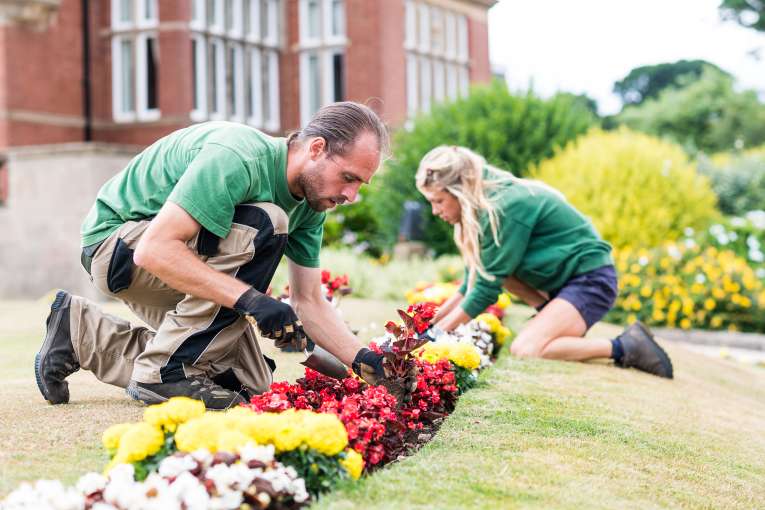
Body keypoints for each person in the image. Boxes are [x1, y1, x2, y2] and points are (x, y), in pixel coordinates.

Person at [35, 102, 414, 410]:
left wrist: (365, 361)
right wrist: (252, 301)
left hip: (168, 262)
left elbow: (309, 300)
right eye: (348, 178)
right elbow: (155, 249)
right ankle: (161, 375)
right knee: (269, 220)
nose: (352, 196)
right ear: (316, 148)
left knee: (247, 382)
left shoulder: (312, 207)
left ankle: (81, 332)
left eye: (360, 185)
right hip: (117, 248)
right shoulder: (238, 156)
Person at [416, 146, 673, 378]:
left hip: (590, 280)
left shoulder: (505, 208)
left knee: (526, 348)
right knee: (499, 272)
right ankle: (550, 312)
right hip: (564, 284)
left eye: (438, 201)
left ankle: (627, 346)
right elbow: (474, 281)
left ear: (461, 191)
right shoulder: (488, 208)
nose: (436, 211)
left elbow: (484, 292)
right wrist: (432, 325)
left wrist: (433, 337)